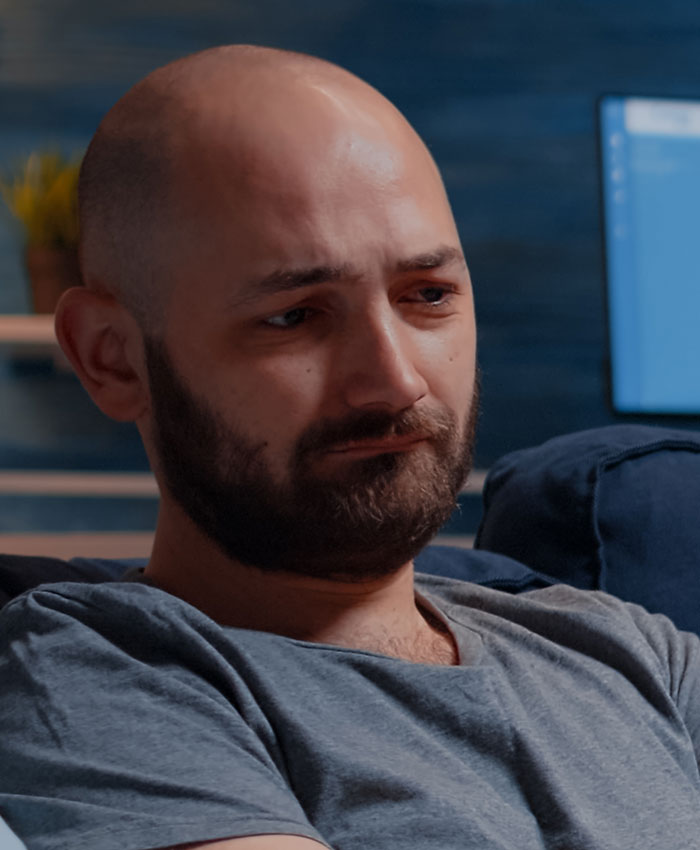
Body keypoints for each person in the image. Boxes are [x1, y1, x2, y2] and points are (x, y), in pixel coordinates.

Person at [1, 44, 700, 850]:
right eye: (295, 315)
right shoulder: (106, 674)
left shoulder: (629, 650)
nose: (396, 381)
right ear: (111, 358)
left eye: (427, 296)